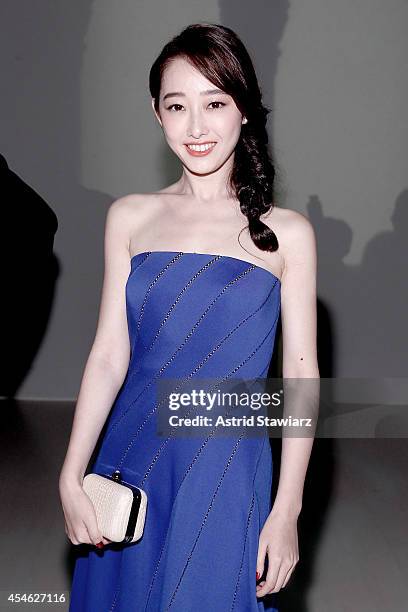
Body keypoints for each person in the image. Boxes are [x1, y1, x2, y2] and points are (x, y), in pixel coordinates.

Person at [59, 22, 319, 612]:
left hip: (226, 466)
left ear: (245, 111)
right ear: (157, 113)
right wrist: (71, 474)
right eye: (177, 105)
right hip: (130, 454)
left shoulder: (289, 234)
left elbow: (300, 382)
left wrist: (287, 509)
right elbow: (108, 354)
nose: (196, 127)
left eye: (215, 103)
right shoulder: (129, 217)